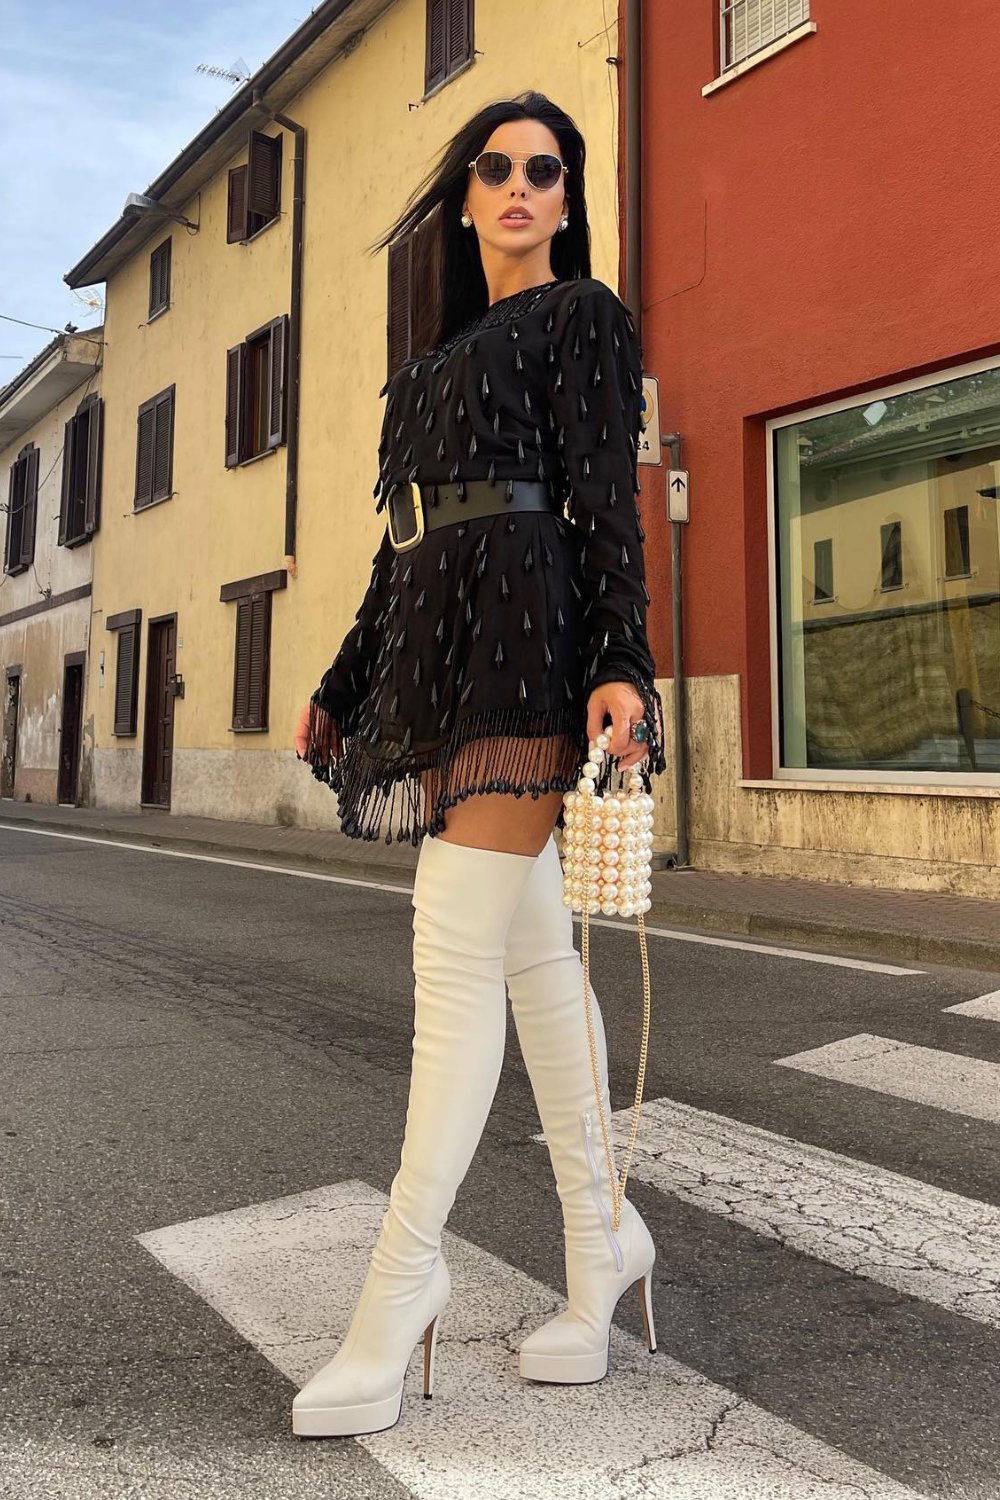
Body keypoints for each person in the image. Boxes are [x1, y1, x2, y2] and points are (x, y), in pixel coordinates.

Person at [291, 90, 665, 1438]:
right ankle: (602, 1243)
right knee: (531, 960)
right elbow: (401, 545)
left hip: (529, 643)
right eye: (495, 169)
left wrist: (623, 657)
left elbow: (606, 494)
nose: (519, 187)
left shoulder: (582, 318)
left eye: (545, 171)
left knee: (450, 953)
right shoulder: (430, 364)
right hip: (431, 651)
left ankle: (401, 1287)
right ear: (464, 200)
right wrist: (344, 680)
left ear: (568, 198)